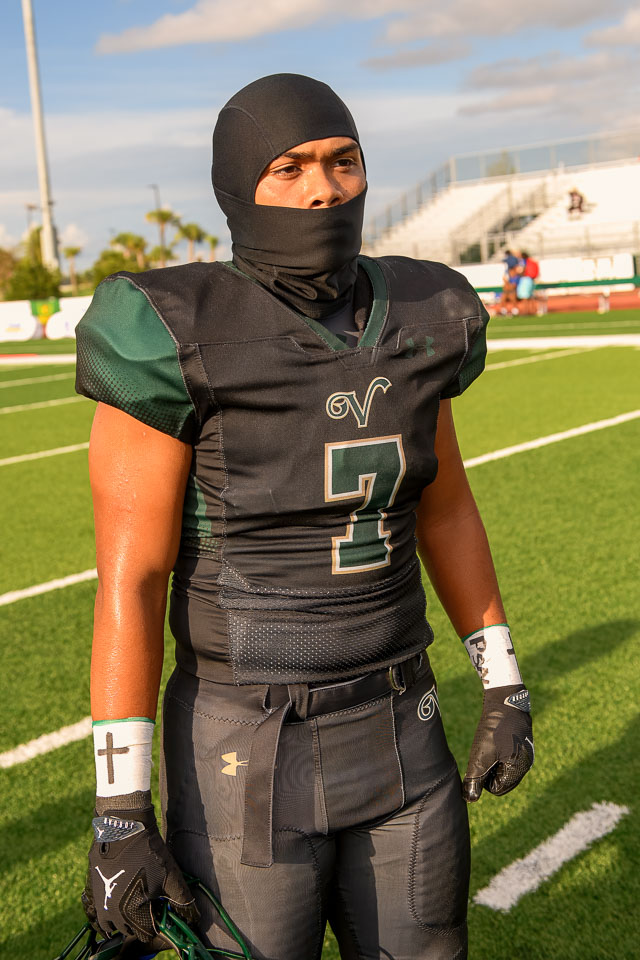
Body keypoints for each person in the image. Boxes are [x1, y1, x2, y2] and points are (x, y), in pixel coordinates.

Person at [76, 74, 534, 960]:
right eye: (288, 168)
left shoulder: (424, 311)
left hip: (403, 719)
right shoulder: (173, 328)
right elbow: (132, 577)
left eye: (342, 161)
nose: (323, 189)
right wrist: (120, 808)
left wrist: (503, 681)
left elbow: (446, 510)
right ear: (238, 185)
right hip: (246, 743)